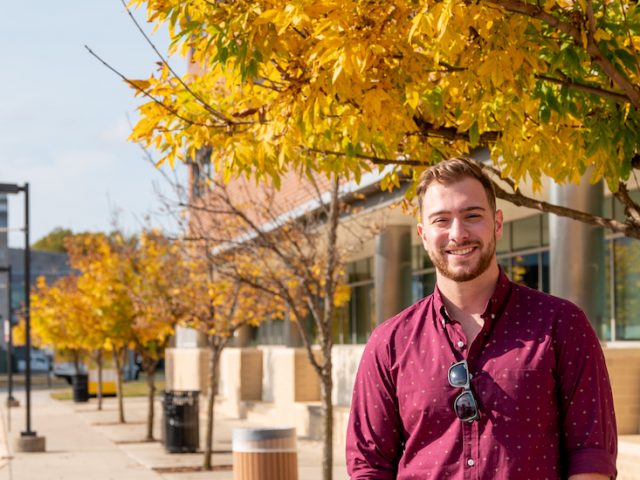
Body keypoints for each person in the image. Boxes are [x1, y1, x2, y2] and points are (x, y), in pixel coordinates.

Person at [346, 157, 617, 479]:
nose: (458, 233)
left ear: (498, 224)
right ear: (423, 233)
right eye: (441, 220)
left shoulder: (561, 324)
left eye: (472, 216)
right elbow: (369, 464)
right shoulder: (389, 342)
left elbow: (592, 452)